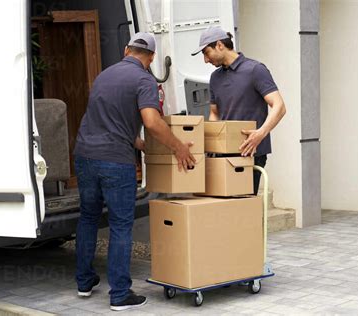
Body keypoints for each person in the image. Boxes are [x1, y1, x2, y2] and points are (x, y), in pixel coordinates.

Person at [73, 32, 196, 311]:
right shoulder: (144, 80)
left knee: (89, 217)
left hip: (84, 155)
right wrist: (178, 147)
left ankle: (84, 282)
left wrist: (138, 143)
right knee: (120, 225)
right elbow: (152, 122)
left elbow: (108, 119)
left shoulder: (104, 75)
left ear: (126, 50)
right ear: (151, 57)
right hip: (115, 161)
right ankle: (119, 294)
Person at [191, 26, 286, 195]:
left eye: (206, 53)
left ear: (219, 45)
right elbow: (215, 113)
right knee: (224, 210)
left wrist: (260, 133)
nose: (205, 60)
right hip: (223, 153)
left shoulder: (255, 70)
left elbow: (279, 106)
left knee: (244, 210)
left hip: (250, 151)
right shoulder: (215, 77)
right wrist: (211, 144)